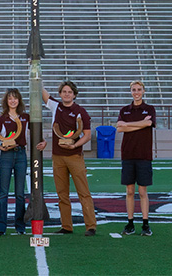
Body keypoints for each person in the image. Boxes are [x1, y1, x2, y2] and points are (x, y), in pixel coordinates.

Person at [39, 80, 96, 236]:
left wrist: (75, 145)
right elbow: (41, 91)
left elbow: (87, 134)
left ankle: (91, 225)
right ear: (60, 94)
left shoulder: (80, 111)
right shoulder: (55, 106)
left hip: (75, 156)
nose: (66, 94)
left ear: (74, 94)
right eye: (64, 92)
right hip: (58, 157)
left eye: (69, 92)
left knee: (83, 192)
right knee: (62, 194)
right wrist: (34, 70)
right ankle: (66, 226)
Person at [116, 80, 156, 236]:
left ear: (144, 91)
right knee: (130, 191)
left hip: (144, 155)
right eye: (134, 89)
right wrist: (141, 123)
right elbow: (119, 128)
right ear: (130, 91)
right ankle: (130, 223)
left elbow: (149, 124)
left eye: (139, 89)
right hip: (128, 154)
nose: (136, 92)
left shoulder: (149, 109)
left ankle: (145, 224)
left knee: (143, 191)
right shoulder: (125, 110)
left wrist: (128, 125)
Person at [0, 88, 29, 236]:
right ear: (6, 101)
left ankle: (20, 226)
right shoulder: (1, 119)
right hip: (6, 156)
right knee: (3, 192)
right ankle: (0, 227)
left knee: (20, 193)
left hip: (21, 155)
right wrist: (2, 148)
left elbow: (36, 132)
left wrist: (42, 142)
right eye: (10, 98)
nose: (13, 101)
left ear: (19, 100)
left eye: (15, 98)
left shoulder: (25, 117)